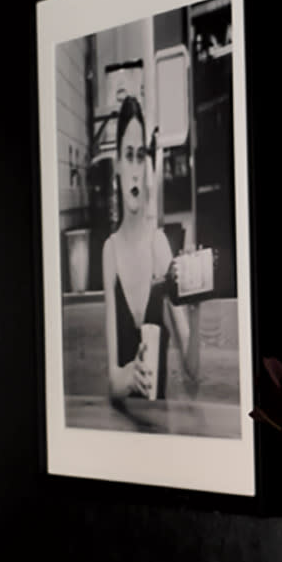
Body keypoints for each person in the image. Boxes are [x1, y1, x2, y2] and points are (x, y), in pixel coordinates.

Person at [101, 96, 200, 408]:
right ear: (117, 164)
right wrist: (128, 376)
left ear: (147, 165)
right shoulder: (110, 252)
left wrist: (196, 313)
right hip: (120, 432)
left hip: (158, 428)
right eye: (128, 156)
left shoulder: (159, 246)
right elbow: (112, 382)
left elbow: (192, 369)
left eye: (140, 155)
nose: (134, 169)